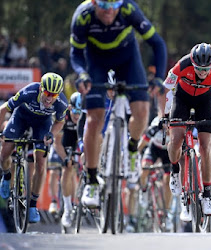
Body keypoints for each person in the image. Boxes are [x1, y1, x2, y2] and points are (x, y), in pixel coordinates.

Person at [69, 0, 167, 207]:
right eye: (104, 6)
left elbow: (157, 43)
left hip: (127, 60)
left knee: (141, 111)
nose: (110, 11)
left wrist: (158, 77)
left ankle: (132, 149)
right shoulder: (83, 16)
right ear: (94, 4)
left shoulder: (129, 10)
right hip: (95, 62)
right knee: (95, 118)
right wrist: (82, 74)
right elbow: (76, 53)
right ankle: (92, 180)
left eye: (114, 5)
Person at [158, 42, 211, 217]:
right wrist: (164, 115)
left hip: (204, 102)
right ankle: (175, 171)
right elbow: (164, 91)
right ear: (192, 62)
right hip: (181, 100)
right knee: (175, 140)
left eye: (206, 69)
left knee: (205, 147)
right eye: (199, 69)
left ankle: (206, 195)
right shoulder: (181, 66)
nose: (203, 72)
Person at [0, 72, 68, 223]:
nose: (50, 98)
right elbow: (5, 108)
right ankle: (6, 176)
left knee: (41, 164)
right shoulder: (29, 91)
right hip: (20, 118)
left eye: (54, 95)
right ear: (41, 89)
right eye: (47, 93)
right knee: (4, 154)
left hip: (42, 124)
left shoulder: (61, 102)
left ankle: (32, 205)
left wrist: (51, 134)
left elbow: (60, 121)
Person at [50, 92, 82, 228]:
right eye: (75, 111)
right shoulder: (63, 115)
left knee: (76, 170)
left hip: (79, 139)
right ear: (70, 108)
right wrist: (66, 158)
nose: (77, 115)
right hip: (63, 141)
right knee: (66, 168)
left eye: (80, 112)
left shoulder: (85, 117)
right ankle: (66, 207)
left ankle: (77, 202)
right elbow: (57, 143)